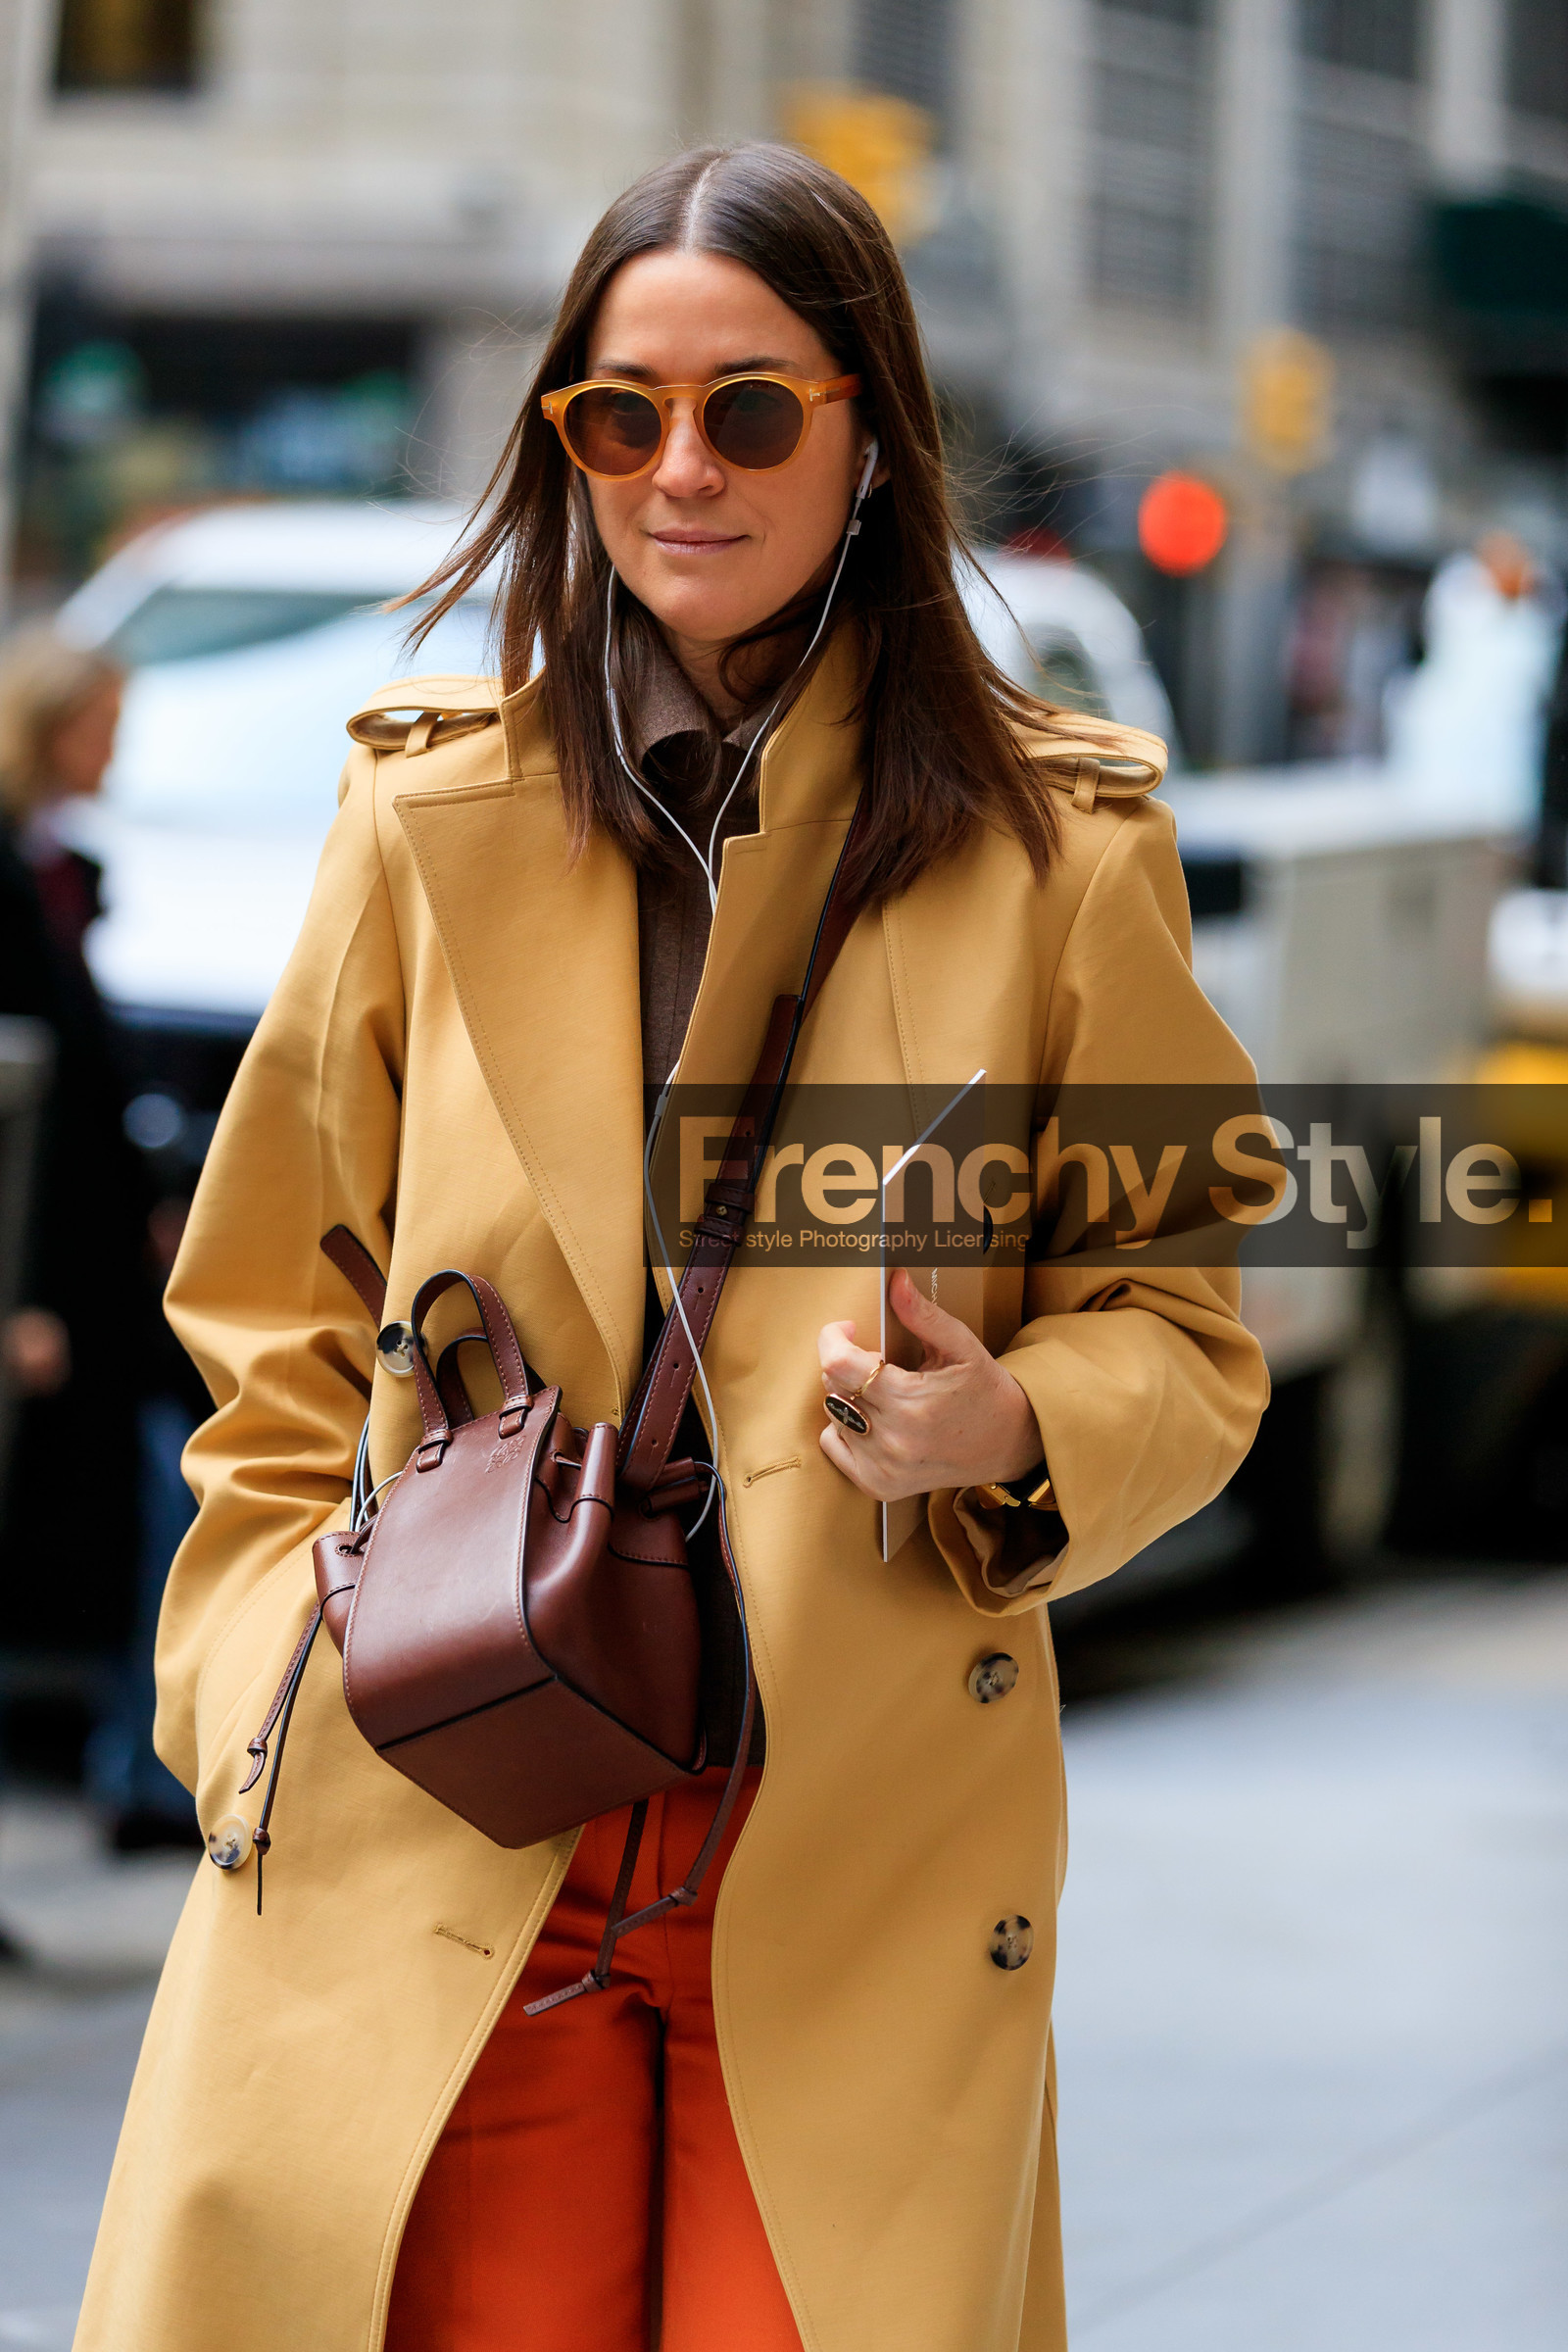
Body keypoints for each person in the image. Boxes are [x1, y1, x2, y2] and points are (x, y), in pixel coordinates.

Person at [75, 144, 1267, 2350]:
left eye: (747, 409)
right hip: (445, 1784)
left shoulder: (1052, 852)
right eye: (617, 416)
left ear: (868, 432)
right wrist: (253, 1694)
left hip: (843, 1853)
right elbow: (273, 1309)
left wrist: (1008, 1419)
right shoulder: (424, 816)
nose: (676, 469)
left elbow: (1183, 1331)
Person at [0, 626, 199, 1859]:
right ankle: (142, 1766)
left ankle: (146, 1764)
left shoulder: (55, 866)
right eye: (102, 721)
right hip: (45, 1276)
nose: (115, 747)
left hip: (84, 1270)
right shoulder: (14, 878)